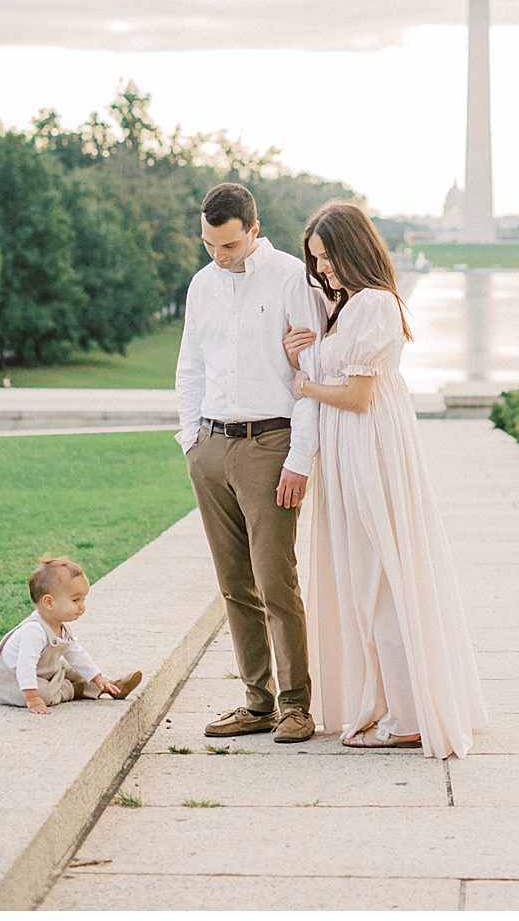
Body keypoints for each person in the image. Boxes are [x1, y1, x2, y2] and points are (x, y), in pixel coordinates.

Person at [284, 201, 489, 757]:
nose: (322, 270)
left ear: (352, 249)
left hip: (368, 445)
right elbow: (339, 378)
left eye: (326, 258)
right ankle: (394, 702)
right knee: (369, 576)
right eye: (316, 261)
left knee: (381, 577)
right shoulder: (351, 305)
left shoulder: (371, 304)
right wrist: (300, 358)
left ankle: (407, 716)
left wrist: (304, 385)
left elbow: (356, 395)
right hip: (357, 446)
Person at [176, 182, 327, 744]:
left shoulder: (291, 277)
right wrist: (191, 443)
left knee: (275, 581)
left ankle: (295, 706)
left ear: (254, 230)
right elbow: (190, 365)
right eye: (210, 245)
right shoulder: (201, 285)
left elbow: (309, 377)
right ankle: (256, 702)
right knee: (234, 584)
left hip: (270, 444)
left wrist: (300, 459)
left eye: (230, 246)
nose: (220, 256)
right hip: (211, 446)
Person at [0, 556, 143, 715]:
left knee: (70, 668)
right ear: (49, 602)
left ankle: (109, 685)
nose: (82, 607)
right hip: (16, 684)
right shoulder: (33, 631)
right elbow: (25, 667)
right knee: (45, 694)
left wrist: (98, 677)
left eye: (83, 599)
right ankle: (75, 689)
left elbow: (78, 655)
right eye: (75, 600)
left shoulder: (61, 626)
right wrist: (33, 698)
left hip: (44, 671)